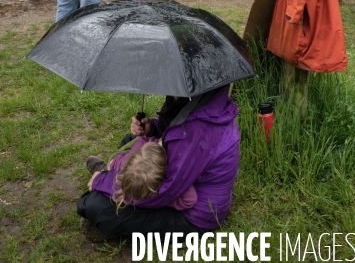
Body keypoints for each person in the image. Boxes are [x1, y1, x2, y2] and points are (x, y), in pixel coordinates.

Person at [77, 86, 240, 240]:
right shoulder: (200, 98)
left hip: (192, 216)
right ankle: (112, 170)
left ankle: (109, 177)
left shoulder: (198, 131)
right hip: (181, 180)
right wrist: (151, 129)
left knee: (95, 205)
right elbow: (172, 133)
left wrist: (102, 181)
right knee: (132, 140)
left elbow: (166, 191)